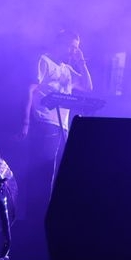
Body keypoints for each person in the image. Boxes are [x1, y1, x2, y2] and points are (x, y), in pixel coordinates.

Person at [21, 29, 93, 204]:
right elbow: (29, 90)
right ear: (59, 44)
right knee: (43, 174)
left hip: (63, 127)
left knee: (58, 173)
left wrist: (81, 62)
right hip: (44, 122)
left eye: (76, 48)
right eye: (71, 47)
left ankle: (48, 210)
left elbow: (88, 87)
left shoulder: (67, 69)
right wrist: (25, 122)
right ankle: (36, 212)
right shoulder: (44, 61)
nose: (73, 51)